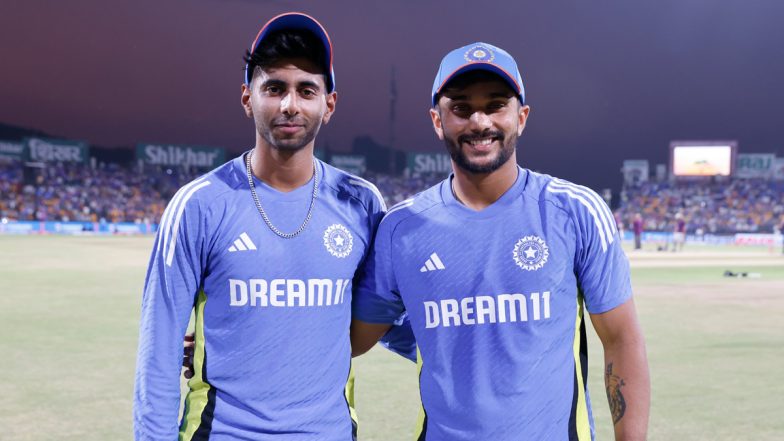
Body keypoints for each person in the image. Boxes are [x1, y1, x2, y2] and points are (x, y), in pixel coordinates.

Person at [350, 43, 650, 440]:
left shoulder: (575, 211)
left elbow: (622, 339)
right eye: (460, 107)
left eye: (495, 105)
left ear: (521, 117)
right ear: (437, 120)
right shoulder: (400, 228)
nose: (479, 121)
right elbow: (353, 337)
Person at [134, 13, 404, 440]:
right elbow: (158, 351)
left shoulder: (362, 203)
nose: (289, 105)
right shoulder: (199, 205)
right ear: (248, 98)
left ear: (328, 104)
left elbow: (384, 317)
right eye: (274, 87)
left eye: (306, 90)